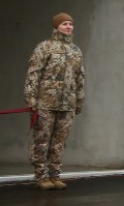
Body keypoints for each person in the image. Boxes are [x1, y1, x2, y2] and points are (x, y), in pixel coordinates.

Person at [24, 12, 85, 190]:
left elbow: (80, 77)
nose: (68, 27)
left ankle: (54, 174)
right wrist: (31, 97)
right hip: (45, 103)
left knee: (59, 141)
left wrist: (79, 100)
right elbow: (33, 73)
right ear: (56, 26)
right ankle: (41, 176)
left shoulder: (76, 50)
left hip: (68, 104)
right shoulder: (45, 47)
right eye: (64, 24)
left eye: (70, 24)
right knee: (42, 140)